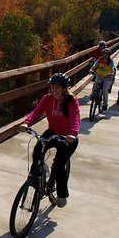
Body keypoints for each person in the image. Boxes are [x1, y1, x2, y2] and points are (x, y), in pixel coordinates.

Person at [16, 73, 80, 208]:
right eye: (52, 87)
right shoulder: (47, 99)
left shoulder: (71, 101)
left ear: (64, 88)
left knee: (58, 166)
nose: (54, 90)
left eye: (58, 87)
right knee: (38, 149)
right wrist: (26, 123)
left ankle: (62, 194)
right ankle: (34, 177)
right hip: (52, 132)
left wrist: (72, 134)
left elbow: (75, 118)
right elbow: (36, 112)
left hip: (67, 137)